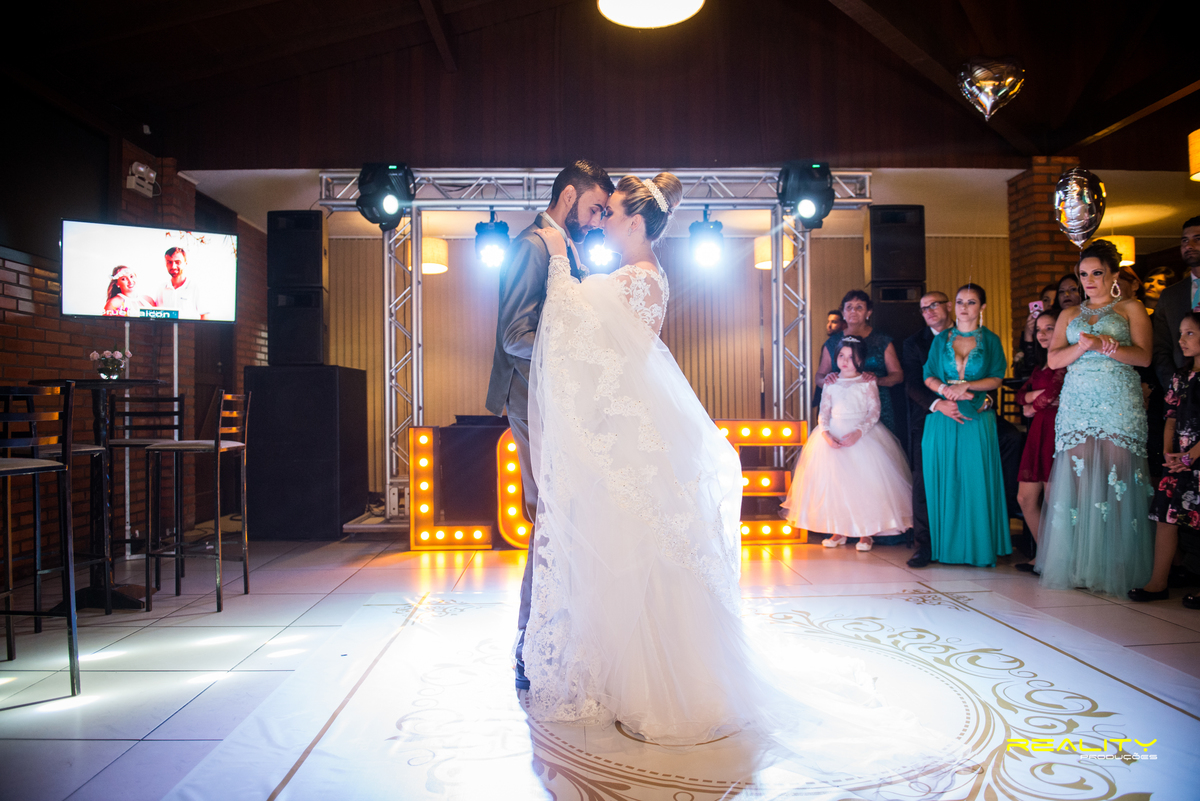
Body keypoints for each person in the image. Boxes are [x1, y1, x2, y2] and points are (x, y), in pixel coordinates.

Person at [522, 173, 960, 783]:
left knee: (644, 549)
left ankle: (662, 686)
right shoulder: (638, 276)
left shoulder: (636, 279)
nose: (604, 223)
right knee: (631, 546)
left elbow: (583, 332)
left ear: (636, 224)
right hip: (629, 428)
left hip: (631, 432)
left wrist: (558, 260)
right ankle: (625, 677)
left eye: (613, 215)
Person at [484, 159, 614, 691]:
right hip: (532, 400)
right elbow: (515, 335)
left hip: (561, 400)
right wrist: (580, 352)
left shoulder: (566, 247)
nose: (599, 220)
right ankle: (528, 641)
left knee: (567, 519)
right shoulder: (533, 246)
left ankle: (558, 635)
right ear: (568, 197)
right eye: (596, 208)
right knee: (548, 519)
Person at [1037, 240, 1153, 597]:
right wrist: (1083, 346)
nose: (1088, 281)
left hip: (1118, 399)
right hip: (1078, 403)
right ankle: (1080, 565)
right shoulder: (1070, 314)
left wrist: (1105, 345)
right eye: (1083, 274)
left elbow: (1144, 357)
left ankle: (1117, 567)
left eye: (1097, 273)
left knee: (1119, 481)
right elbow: (1054, 360)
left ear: (1114, 275)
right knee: (1080, 482)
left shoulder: (1131, 308)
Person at [782, 336, 912, 552]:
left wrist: (858, 432)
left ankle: (865, 533)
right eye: (841, 356)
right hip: (834, 435)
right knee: (836, 486)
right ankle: (838, 530)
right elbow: (824, 412)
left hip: (862, 437)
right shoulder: (831, 382)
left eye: (851, 357)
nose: (845, 361)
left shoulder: (867, 382)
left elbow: (874, 412)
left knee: (865, 485)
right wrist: (825, 433)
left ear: (861, 359)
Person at [921, 284, 1010, 567]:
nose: (964, 307)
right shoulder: (941, 339)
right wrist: (945, 390)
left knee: (975, 480)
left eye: (971, 302)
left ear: (982, 307)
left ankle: (979, 549)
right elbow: (928, 374)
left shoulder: (991, 340)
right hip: (944, 416)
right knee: (947, 480)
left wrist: (967, 387)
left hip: (977, 414)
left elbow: (996, 377)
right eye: (960, 301)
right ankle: (948, 549)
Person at [1130, 312, 1200, 609]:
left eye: (1190, 333)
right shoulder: (1180, 377)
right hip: (1178, 459)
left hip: (1195, 457)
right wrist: (1169, 453)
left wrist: (1190, 457)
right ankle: (1158, 582)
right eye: (1180, 333)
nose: (1181, 340)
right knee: (1166, 517)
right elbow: (1170, 417)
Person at [902, 291, 952, 568]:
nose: (929, 311)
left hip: (966, 413)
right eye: (924, 308)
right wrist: (937, 404)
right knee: (923, 482)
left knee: (1009, 440)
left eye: (934, 305)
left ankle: (965, 541)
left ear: (949, 306)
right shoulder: (913, 343)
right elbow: (912, 383)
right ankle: (924, 546)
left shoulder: (970, 335)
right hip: (927, 416)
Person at [1013, 309, 1066, 571]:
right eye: (1039, 330)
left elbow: (1054, 394)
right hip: (1038, 432)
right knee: (1025, 498)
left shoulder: (1065, 362)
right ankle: (1046, 555)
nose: (1042, 334)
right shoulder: (1039, 366)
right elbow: (1020, 396)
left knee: (1053, 500)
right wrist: (1036, 399)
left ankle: (1061, 560)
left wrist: (1033, 403)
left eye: (1050, 328)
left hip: (1056, 432)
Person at [816, 290, 904, 439]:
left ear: (868, 312)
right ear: (843, 312)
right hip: (842, 409)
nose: (853, 311)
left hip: (877, 406)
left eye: (859, 307)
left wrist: (876, 380)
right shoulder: (832, 342)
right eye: (849, 307)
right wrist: (827, 380)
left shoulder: (882, 340)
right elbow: (819, 375)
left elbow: (898, 375)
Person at [1151, 216, 1200, 392]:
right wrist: (1174, 385)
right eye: (1185, 240)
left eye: (1197, 239)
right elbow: (1160, 348)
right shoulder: (1170, 295)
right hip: (1182, 392)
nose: (1189, 245)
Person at [151, 247, 211, 320]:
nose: (173, 266)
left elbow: (204, 316)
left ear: (185, 263)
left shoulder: (195, 287)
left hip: (189, 327)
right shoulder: (162, 288)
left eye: (177, 262)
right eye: (169, 262)